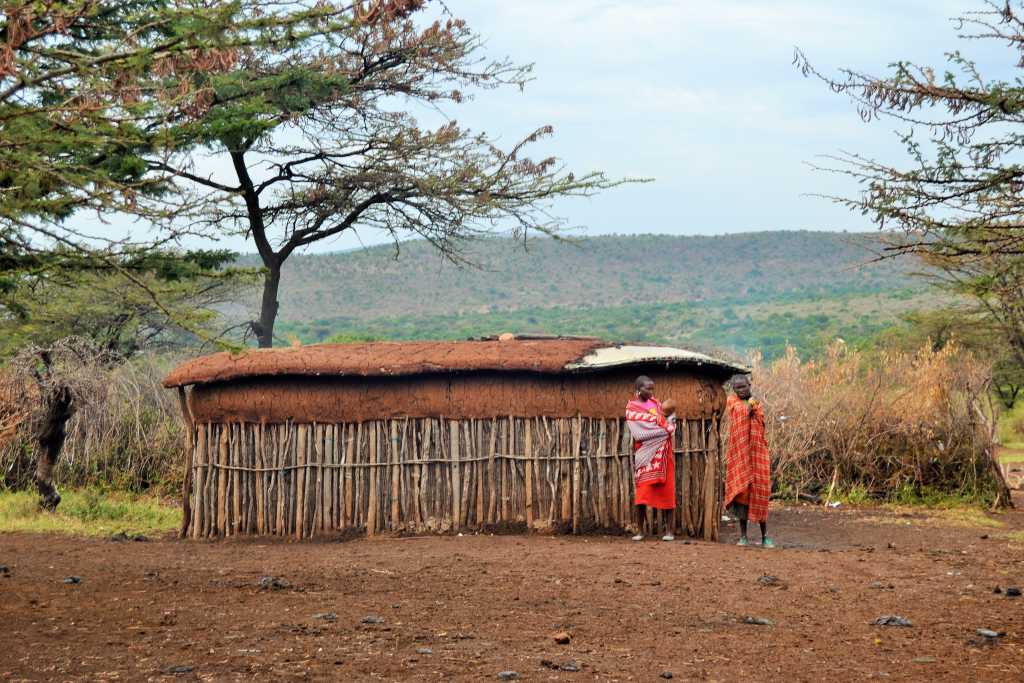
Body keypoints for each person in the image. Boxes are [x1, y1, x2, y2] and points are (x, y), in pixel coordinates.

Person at [723, 374, 774, 547]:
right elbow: (738, 412)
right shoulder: (732, 402)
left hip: (757, 456)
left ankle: (764, 536)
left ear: (749, 384)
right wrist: (748, 410)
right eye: (738, 388)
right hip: (740, 456)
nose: (741, 390)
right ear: (733, 389)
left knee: (759, 494)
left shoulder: (756, 404)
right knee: (742, 499)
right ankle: (743, 536)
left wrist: (754, 411)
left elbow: (761, 424)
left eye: (744, 386)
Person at [625, 376, 677, 541]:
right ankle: (640, 531)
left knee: (668, 491)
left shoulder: (657, 404)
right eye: (648, 389)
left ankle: (669, 531)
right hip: (645, 454)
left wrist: (668, 426)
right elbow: (638, 434)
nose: (651, 392)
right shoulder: (632, 409)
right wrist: (665, 430)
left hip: (664, 453)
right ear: (639, 389)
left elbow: (670, 422)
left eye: (652, 389)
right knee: (642, 493)